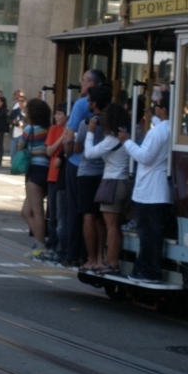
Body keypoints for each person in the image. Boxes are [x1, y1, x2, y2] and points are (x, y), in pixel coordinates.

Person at [118, 91, 172, 283]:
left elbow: (144, 157)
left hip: (150, 191)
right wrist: (153, 118)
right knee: (152, 234)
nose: (155, 109)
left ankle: (149, 271)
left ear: (164, 109)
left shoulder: (156, 132)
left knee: (148, 236)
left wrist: (127, 142)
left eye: (157, 106)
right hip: (159, 191)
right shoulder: (169, 128)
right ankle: (144, 269)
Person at [63, 69, 106, 267]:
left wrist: (67, 154)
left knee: (77, 211)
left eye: (83, 81)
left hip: (80, 165)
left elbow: (71, 138)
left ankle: (74, 254)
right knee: (97, 215)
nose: (80, 85)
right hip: (103, 168)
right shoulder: (110, 111)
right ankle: (95, 256)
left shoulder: (81, 105)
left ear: (92, 84)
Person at [84, 103, 131, 275]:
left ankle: (111, 262)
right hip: (125, 181)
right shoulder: (126, 134)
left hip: (112, 181)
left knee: (111, 226)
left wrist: (90, 132)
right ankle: (111, 261)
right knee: (116, 226)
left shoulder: (112, 139)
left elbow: (89, 153)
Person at [74, 85, 111, 271]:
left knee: (88, 215)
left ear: (94, 103)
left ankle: (90, 258)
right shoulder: (109, 124)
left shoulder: (86, 123)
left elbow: (77, 148)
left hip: (87, 172)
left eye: (89, 100)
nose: (87, 103)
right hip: (104, 173)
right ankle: (100, 257)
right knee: (100, 217)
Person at [19, 99, 51, 258]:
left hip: (34, 170)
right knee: (26, 210)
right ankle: (40, 241)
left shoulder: (29, 129)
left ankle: (41, 245)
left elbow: (20, 146)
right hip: (47, 171)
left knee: (37, 211)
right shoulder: (49, 129)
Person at [42, 102, 67, 262]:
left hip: (63, 177)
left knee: (61, 216)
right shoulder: (54, 130)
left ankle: (60, 247)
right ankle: (51, 245)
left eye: (59, 114)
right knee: (52, 215)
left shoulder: (70, 130)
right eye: (55, 114)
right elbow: (49, 151)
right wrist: (61, 139)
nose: (56, 117)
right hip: (52, 176)